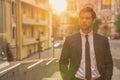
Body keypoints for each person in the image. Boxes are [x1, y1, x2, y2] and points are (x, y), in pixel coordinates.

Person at [59, 7, 113, 80]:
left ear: (93, 20)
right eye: (81, 18)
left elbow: (109, 63)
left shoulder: (103, 40)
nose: (84, 21)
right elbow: (62, 62)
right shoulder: (69, 40)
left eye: (87, 18)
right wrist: (67, 78)